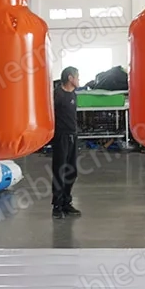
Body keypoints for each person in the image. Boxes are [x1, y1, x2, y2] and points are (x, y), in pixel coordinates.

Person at [52, 66, 81, 217]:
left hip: (72, 136)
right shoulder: (57, 95)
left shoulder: (73, 94)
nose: (79, 80)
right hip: (61, 137)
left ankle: (66, 202)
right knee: (60, 171)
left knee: (72, 171)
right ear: (70, 78)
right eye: (77, 77)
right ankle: (57, 206)